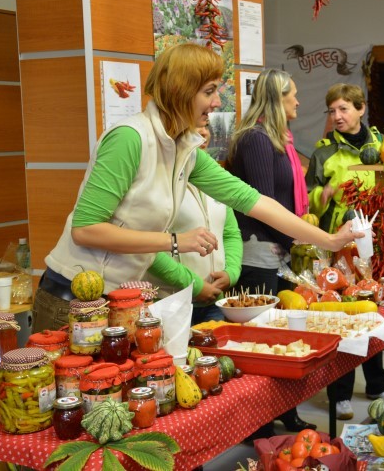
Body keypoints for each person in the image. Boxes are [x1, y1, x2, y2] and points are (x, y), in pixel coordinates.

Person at [32, 43, 360, 333]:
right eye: (209, 91)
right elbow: (85, 230)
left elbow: (254, 201)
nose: (217, 102)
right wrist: (176, 241)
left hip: (121, 301)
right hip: (73, 300)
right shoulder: (130, 139)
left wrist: (329, 240)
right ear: (181, 90)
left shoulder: (184, 149)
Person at [226, 68, 316, 434]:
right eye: (293, 94)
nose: (298, 101)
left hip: (279, 247)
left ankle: (285, 411)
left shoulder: (280, 140)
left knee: (284, 336)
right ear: (278, 98)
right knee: (261, 341)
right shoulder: (255, 139)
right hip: (258, 250)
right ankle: (259, 424)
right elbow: (263, 204)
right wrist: (301, 239)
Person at [306, 83, 384, 420]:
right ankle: (340, 393)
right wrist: (322, 195)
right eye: (332, 111)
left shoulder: (382, 147)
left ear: (361, 109)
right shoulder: (324, 152)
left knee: (372, 311)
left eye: (343, 109)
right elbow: (309, 198)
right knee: (343, 316)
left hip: (374, 244)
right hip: (338, 246)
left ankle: (377, 382)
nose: (337, 116)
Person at [144, 123, 242, 325]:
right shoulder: (157, 181)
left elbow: (230, 233)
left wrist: (231, 273)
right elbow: (146, 248)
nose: (204, 132)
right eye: (195, 126)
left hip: (215, 301)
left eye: (206, 126)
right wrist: (195, 285)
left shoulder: (217, 178)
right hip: (169, 302)